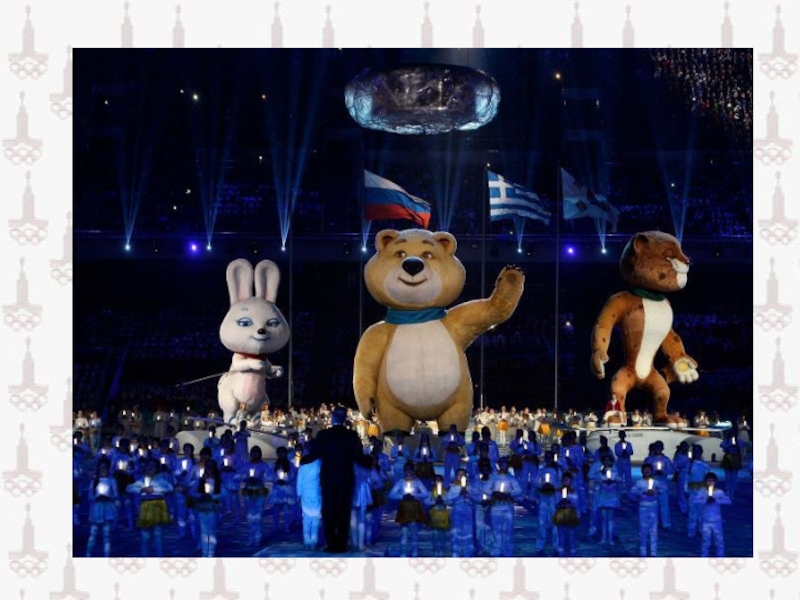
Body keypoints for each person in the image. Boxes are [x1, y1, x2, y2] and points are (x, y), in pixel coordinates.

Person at [309, 405, 371, 553]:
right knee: (343, 511)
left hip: (328, 478)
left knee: (329, 510)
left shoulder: (323, 435)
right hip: (345, 478)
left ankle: (331, 543)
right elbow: (358, 457)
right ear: (344, 419)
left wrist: (303, 460)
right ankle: (342, 544)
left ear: (332, 418)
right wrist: (370, 461)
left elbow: (315, 454)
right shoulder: (351, 436)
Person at [126, 458, 173, 557]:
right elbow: (129, 488)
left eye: (153, 466)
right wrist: (141, 489)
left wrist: (154, 489)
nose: (150, 467)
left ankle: (160, 557)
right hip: (145, 508)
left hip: (158, 507)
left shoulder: (161, 479)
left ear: (157, 468)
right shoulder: (142, 480)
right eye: (149, 465)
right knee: (145, 536)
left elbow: (169, 487)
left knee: (158, 535)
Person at [388, 461, 429, 557]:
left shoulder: (417, 482)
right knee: (404, 532)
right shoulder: (401, 482)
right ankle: (404, 552)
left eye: (410, 470)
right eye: (407, 470)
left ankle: (415, 552)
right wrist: (402, 496)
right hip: (404, 508)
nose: (409, 472)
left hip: (414, 507)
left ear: (413, 471)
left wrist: (415, 496)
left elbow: (426, 493)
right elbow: (391, 495)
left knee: (414, 531)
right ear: (404, 471)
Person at [236, 445, 273, 547]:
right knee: (250, 515)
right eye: (253, 452)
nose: (254, 454)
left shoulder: (263, 465)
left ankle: (257, 537)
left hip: (259, 491)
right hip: (249, 491)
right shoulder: (247, 465)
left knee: (258, 515)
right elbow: (237, 476)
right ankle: (251, 536)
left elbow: (271, 476)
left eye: (256, 452)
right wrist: (245, 478)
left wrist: (262, 477)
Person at [487, 456, 523, 557]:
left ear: (507, 465)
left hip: (507, 508)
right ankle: (497, 551)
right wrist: (494, 493)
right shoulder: (494, 477)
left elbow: (519, 490)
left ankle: (508, 552)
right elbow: (486, 489)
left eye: (505, 463)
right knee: (496, 530)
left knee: (508, 530)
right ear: (498, 465)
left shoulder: (511, 478)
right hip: (496, 507)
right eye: (501, 463)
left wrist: (509, 494)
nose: (503, 465)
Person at [191, 459, 227, 557]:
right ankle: (204, 552)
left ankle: (211, 552)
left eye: (211, 466)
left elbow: (225, 493)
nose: (209, 468)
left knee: (211, 530)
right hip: (202, 507)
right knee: (203, 531)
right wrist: (200, 495)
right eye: (208, 466)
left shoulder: (218, 481)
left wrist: (212, 497)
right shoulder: (200, 481)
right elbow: (191, 492)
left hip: (212, 507)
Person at [86, 457, 118, 557]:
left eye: (105, 467)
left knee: (106, 535)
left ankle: (106, 556)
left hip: (107, 509)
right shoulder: (94, 481)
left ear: (108, 468)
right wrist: (96, 498)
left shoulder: (112, 480)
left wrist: (108, 497)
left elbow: (116, 495)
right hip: (96, 509)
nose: (103, 470)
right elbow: (89, 496)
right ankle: (88, 555)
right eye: (101, 468)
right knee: (93, 534)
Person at [694, 472, 732, 557]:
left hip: (717, 521)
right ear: (705, 481)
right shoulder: (702, 492)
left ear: (715, 482)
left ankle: (720, 557)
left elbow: (728, 501)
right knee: (705, 541)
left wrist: (716, 500)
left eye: (712, 481)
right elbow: (695, 500)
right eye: (708, 481)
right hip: (706, 520)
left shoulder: (719, 492)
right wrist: (705, 500)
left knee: (719, 541)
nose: (710, 483)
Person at [643, 441, 674, 529]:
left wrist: (663, 472)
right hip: (652, 484)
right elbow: (645, 470)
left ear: (662, 448)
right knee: (652, 504)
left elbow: (671, 470)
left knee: (664, 504)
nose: (658, 449)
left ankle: (665, 522)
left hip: (663, 484)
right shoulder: (649, 459)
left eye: (660, 447)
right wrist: (652, 473)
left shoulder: (666, 459)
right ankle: (653, 521)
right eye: (657, 447)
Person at [444, 468, 475, 557]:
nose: (461, 476)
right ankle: (456, 553)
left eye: (463, 475)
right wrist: (458, 494)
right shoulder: (453, 487)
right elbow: (447, 500)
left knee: (468, 532)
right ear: (456, 476)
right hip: (457, 513)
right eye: (459, 474)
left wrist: (468, 494)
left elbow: (477, 499)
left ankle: (468, 553)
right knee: (456, 532)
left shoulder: (470, 487)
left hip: (468, 513)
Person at [632, 463, 661, 557]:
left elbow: (663, 489)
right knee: (643, 529)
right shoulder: (639, 482)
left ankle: (653, 551)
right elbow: (633, 491)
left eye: (649, 469)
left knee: (653, 529)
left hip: (653, 507)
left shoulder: (656, 482)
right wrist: (643, 492)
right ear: (642, 471)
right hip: (643, 507)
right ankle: (643, 550)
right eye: (645, 469)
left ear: (652, 471)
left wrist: (656, 491)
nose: (647, 471)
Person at [296, 449, 322, 550]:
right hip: (316, 493)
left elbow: (299, 482)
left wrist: (298, 494)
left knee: (306, 519)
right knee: (315, 519)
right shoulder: (318, 464)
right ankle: (314, 541)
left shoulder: (302, 468)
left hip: (305, 494)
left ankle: (307, 541)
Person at [553, 472, 580, 557]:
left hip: (570, 514)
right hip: (561, 514)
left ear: (570, 481)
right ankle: (561, 551)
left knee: (571, 535)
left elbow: (576, 504)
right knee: (561, 535)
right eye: (564, 480)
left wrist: (570, 501)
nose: (565, 482)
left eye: (567, 480)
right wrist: (560, 502)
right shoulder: (558, 492)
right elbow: (555, 503)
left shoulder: (573, 492)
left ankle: (572, 552)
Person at [720, 433, 742, 500]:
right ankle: (728, 490)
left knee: (734, 477)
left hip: (735, 459)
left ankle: (732, 491)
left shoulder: (738, 441)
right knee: (728, 476)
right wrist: (728, 446)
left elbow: (744, 444)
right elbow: (721, 445)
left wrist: (736, 445)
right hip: (728, 459)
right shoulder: (726, 441)